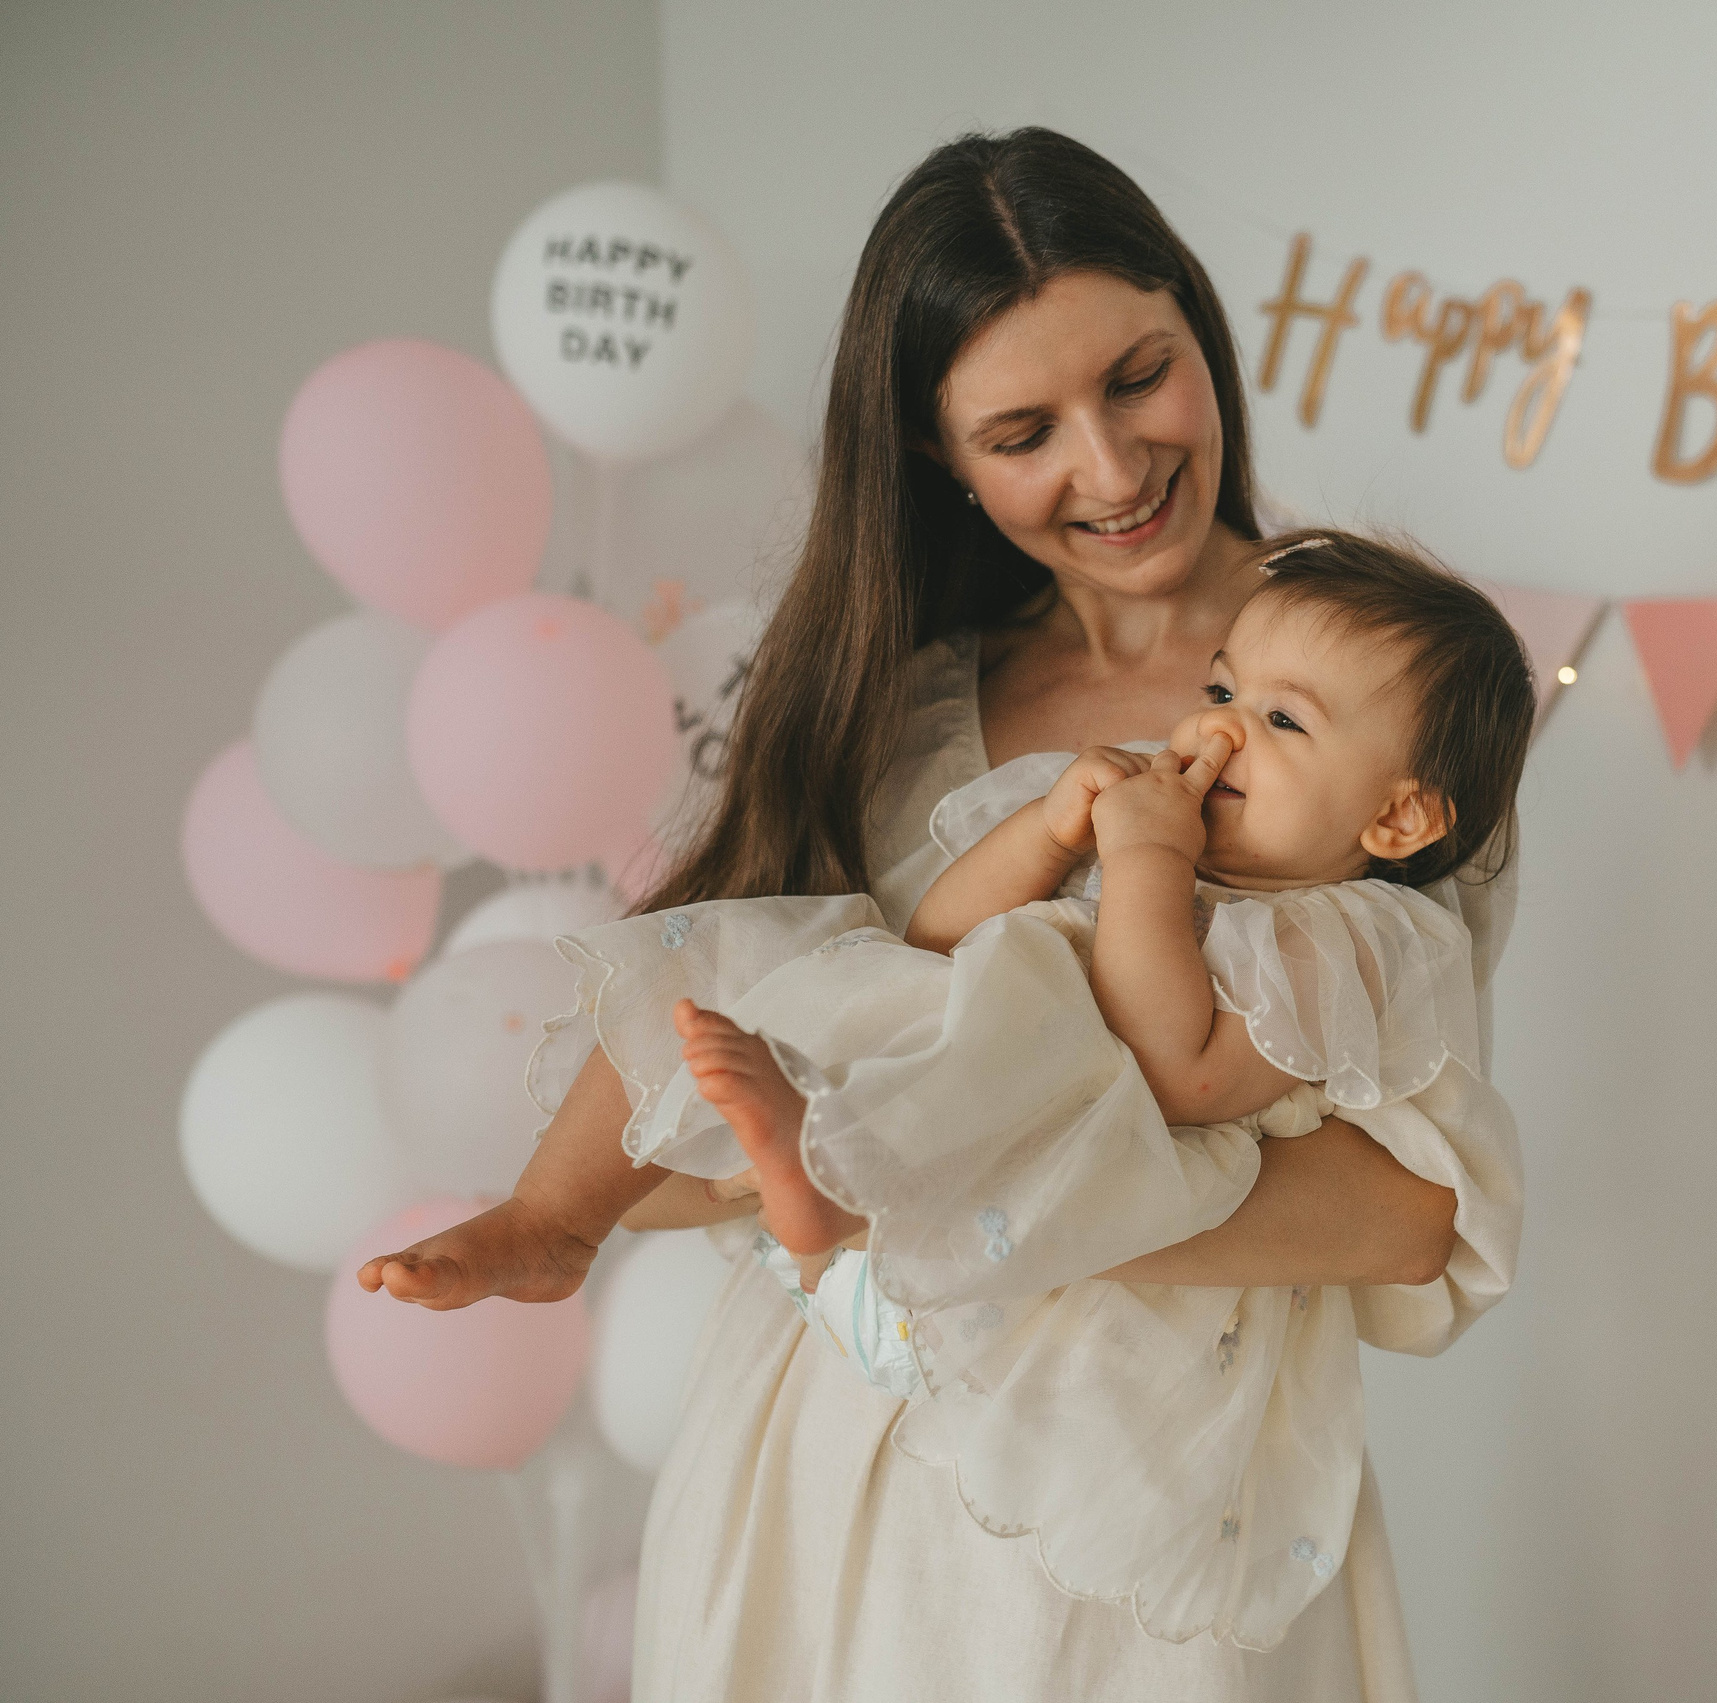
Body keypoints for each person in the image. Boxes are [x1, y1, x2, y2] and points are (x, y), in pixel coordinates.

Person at [367, 130, 1523, 1699]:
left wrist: (982, 1203)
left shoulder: (1391, 707)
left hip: (1157, 1480)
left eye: (1137, 376)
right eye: (1024, 429)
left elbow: (1412, 1207)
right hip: (843, 1460)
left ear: (1199, 329)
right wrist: (827, 1165)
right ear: (936, 455)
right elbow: (717, 1074)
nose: (1111, 470)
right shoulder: (892, 703)